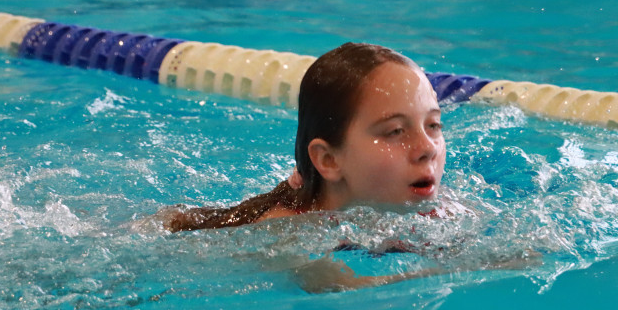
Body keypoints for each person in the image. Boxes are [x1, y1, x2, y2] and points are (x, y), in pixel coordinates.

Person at [154, 41, 445, 232]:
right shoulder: (287, 234)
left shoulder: (433, 210)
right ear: (328, 160)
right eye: (395, 131)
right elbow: (350, 288)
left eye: (433, 125)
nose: (426, 148)